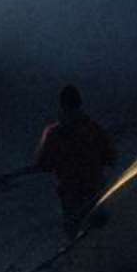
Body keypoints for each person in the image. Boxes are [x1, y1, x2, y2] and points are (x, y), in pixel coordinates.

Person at [34, 85, 117, 240]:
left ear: (61, 106)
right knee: (97, 232)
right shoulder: (94, 129)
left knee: (74, 234)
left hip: (70, 193)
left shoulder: (53, 133)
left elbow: (43, 163)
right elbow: (111, 157)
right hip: (94, 190)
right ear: (79, 104)